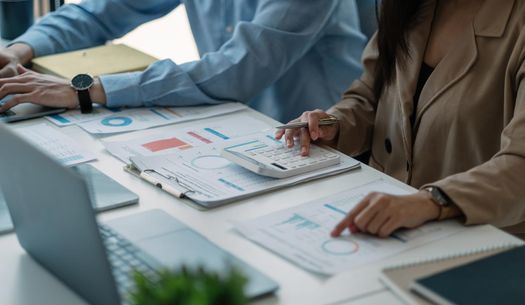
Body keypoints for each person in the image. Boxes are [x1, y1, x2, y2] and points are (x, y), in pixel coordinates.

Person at [277, 0, 525, 238]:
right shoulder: (410, 6)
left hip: (483, 241)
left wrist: (432, 200)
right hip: (383, 221)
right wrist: (332, 124)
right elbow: (369, 97)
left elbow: (520, 164)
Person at [0, 0, 368, 122]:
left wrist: (86, 89)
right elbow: (102, 12)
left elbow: (237, 69)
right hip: (232, 126)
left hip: (318, 141)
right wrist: (19, 50)